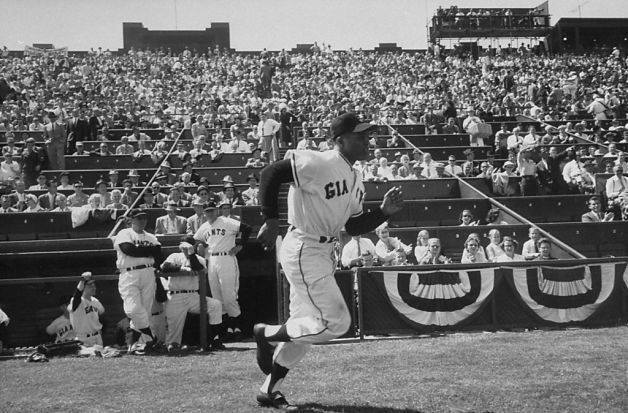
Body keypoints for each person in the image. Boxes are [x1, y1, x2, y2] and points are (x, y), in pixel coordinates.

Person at [252, 112, 403, 409]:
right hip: (304, 246)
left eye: (367, 135)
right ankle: (265, 333)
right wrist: (270, 219)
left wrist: (383, 213)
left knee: (305, 330)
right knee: (336, 322)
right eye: (359, 135)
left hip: (322, 251)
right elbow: (271, 172)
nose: (366, 140)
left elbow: (353, 226)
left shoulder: (356, 176)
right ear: (339, 140)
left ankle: (269, 390)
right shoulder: (321, 161)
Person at [194, 201, 252, 340]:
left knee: (229, 296)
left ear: (217, 211)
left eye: (212, 210)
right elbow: (195, 239)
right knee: (217, 298)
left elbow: (247, 228)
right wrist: (200, 244)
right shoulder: (204, 226)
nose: (210, 213)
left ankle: (238, 328)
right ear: (204, 212)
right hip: (212, 260)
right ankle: (225, 331)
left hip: (227, 257)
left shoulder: (226, 221)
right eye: (207, 211)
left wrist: (240, 245)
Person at [159, 235, 224, 352]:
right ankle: (173, 345)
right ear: (180, 246)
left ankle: (213, 339)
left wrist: (191, 253)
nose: (185, 248)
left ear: (193, 246)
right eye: (184, 246)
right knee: (173, 330)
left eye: (189, 246)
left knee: (216, 305)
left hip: (193, 296)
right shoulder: (174, 256)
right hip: (175, 296)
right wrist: (181, 269)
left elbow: (199, 268)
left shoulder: (199, 258)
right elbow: (164, 267)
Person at [113, 209, 163, 355]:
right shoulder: (125, 233)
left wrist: (140, 250)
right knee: (132, 310)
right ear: (131, 220)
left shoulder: (151, 236)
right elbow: (128, 249)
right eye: (138, 218)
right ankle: (151, 338)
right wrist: (149, 251)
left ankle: (133, 346)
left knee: (145, 312)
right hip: (129, 273)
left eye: (144, 218)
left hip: (148, 272)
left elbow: (159, 253)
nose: (142, 221)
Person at [69, 272, 105, 347]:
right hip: (83, 339)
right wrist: (82, 281)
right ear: (83, 287)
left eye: (94, 285)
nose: (93, 287)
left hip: (97, 337)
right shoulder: (77, 301)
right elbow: (77, 297)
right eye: (90, 285)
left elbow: (102, 315)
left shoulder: (95, 301)